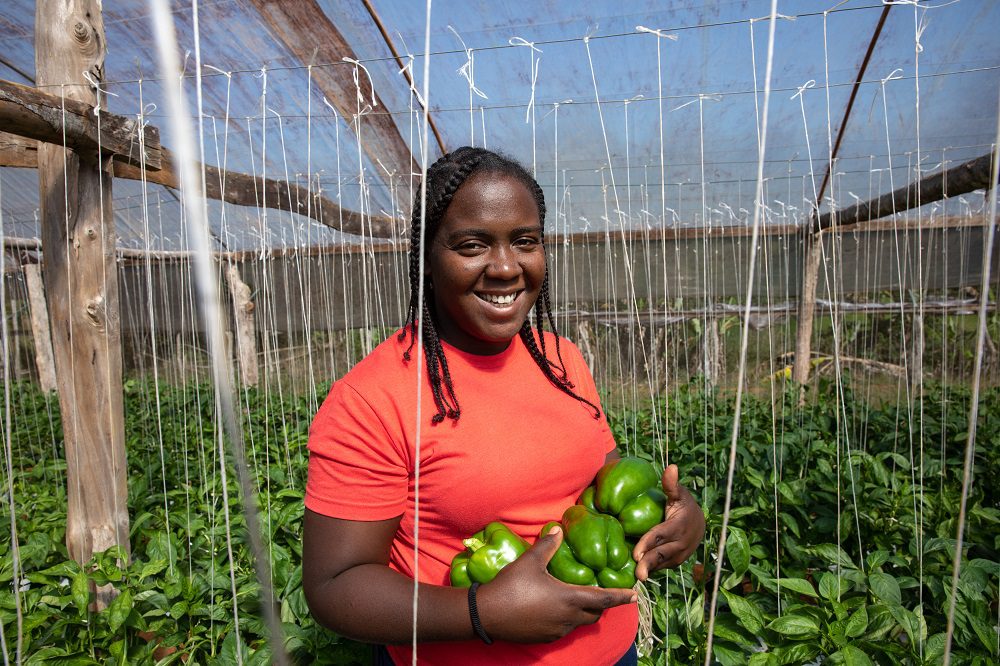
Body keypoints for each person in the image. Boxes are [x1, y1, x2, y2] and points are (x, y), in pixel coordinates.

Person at [303, 147, 705, 665]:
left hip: (613, 652)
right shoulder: (373, 399)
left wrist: (676, 517)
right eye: (472, 245)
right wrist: (481, 612)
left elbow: (602, 477)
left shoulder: (563, 361)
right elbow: (335, 586)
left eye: (525, 241)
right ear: (427, 257)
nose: (505, 267)